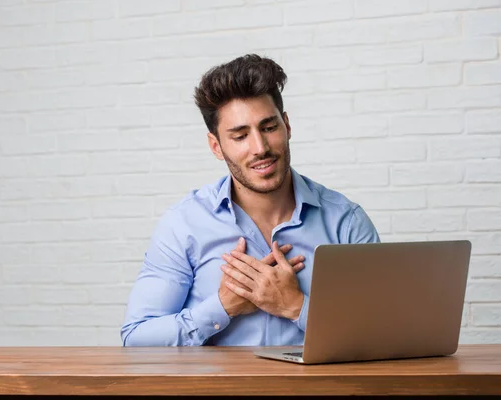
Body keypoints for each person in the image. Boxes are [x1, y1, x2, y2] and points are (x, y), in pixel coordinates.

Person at [121, 54, 380, 346]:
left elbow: (382, 334)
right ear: (216, 146)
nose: (260, 148)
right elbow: (137, 339)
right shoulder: (184, 225)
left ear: (287, 126)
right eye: (240, 136)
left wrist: (296, 306)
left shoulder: (345, 222)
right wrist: (222, 306)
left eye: (269, 128)